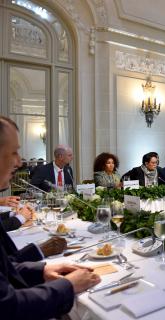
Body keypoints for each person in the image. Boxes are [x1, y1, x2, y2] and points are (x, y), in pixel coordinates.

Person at [0, 116, 100, 319]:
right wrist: (68, 286)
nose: (20, 162)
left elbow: (6, 268)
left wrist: (43, 269)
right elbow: (7, 308)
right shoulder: (44, 170)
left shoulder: (69, 170)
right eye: (13, 152)